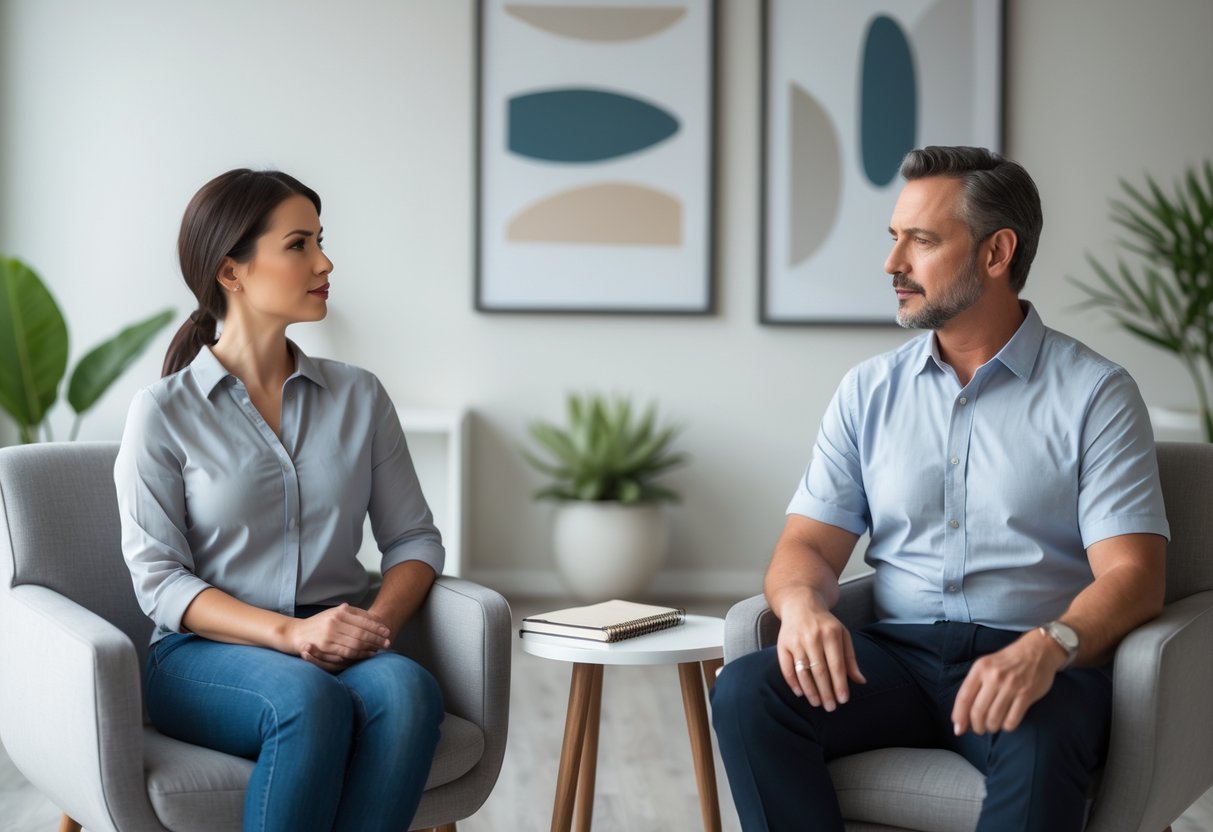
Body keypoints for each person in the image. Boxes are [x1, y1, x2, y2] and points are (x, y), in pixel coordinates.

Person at [710, 146, 1170, 831]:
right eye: (893, 239)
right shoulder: (866, 391)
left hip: (1029, 660)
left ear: (995, 253)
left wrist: (1046, 648)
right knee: (749, 691)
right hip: (894, 658)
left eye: (920, 240)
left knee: (1042, 739)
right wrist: (802, 607)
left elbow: (1134, 574)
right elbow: (805, 544)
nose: (892, 264)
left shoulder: (1094, 394)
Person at [114, 169, 445, 832]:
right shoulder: (162, 413)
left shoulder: (360, 396)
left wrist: (369, 629)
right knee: (306, 700)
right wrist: (291, 634)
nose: (324, 262)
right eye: (299, 244)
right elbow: (159, 581)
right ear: (231, 272)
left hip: (336, 635)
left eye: (321, 240)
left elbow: (413, 541)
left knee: (409, 691)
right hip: (201, 654)